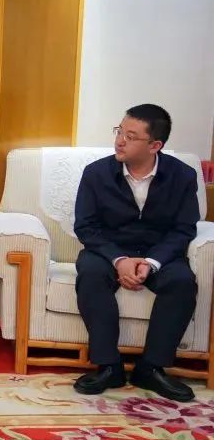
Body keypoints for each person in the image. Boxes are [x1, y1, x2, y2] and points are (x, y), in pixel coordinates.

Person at [73, 104, 199, 402]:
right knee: (90, 274)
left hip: (159, 253)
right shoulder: (96, 173)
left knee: (182, 282)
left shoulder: (182, 176)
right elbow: (86, 226)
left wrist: (152, 262)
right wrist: (120, 260)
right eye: (119, 132)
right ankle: (108, 366)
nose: (119, 141)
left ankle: (151, 368)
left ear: (155, 145)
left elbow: (184, 229)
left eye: (130, 137)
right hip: (108, 251)